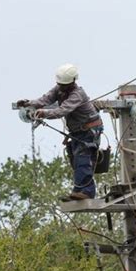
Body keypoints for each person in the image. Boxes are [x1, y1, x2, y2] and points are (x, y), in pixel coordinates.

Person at [17, 64, 103, 200]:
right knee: (75, 159)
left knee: (82, 158)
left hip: (89, 130)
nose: (61, 86)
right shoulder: (59, 89)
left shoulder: (77, 94)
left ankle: (87, 192)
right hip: (77, 131)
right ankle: (78, 190)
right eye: (59, 84)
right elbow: (45, 99)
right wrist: (29, 103)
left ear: (72, 82)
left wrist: (44, 113)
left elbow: (62, 110)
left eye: (64, 84)